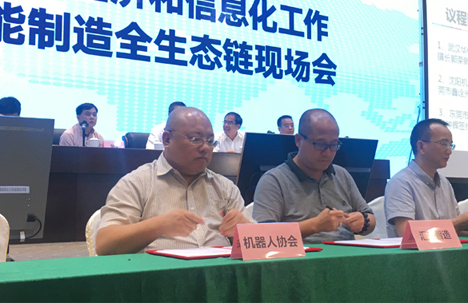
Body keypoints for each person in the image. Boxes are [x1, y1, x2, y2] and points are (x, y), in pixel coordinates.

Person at [96, 107, 249, 255]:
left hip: (219, 270)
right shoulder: (136, 182)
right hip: (160, 271)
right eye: (195, 139)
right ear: (167, 139)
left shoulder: (224, 186)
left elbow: (257, 245)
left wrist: (244, 228)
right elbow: (105, 244)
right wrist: (159, 225)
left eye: (210, 141)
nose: (205, 148)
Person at [253, 109, 376, 243]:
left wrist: (364, 222)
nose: (327, 152)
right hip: (301, 254)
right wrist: (314, 226)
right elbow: (262, 235)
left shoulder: (341, 174)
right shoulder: (274, 180)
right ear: (298, 140)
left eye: (333, 145)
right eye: (320, 144)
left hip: (347, 251)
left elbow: (369, 216)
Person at [385, 119, 468, 237]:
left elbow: (458, 231)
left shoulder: (444, 183)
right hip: (414, 252)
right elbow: (405, 233)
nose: (449, 151)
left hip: (445, 250)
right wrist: (456, 223)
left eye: (451, 145)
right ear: (421, 147)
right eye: (444, 144)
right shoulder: (401, 182)